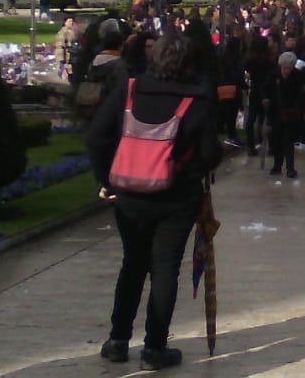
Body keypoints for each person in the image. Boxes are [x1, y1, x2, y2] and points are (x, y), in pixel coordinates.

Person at [87, 31, 221, 370]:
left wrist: (107, 179)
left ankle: (118, 340)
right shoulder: (197, 98)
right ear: (188, 62)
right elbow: (209, 153)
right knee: (165, 270)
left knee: (132, 264)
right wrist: (187, 169)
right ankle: (154, 347)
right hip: (175, 196)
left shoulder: (130, 89)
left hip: (129, 194)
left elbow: (96, 138)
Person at [265, 52, 305, 178]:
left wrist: (297, 108)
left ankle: (290, 168)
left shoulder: (298, 76)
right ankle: (277, 165)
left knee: (288, 141)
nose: (286, 71)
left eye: (289, 68)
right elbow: (265, 90)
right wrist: (266, 101)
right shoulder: (273, 75)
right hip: (276, 112)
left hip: (291, 113)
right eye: (284, 68)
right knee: (277, 140)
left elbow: (303, 94)